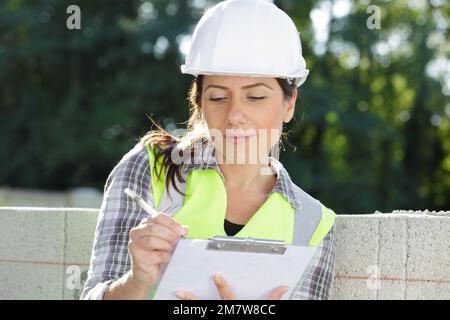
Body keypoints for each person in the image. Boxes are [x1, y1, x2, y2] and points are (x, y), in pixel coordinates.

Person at [81, 0, 336, 300]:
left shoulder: (314, 224)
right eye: (217, 98)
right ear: (199, 102)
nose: (235, 115)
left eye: (255, 96)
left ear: (289, 103)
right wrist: (136, 282)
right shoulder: (150, 168)